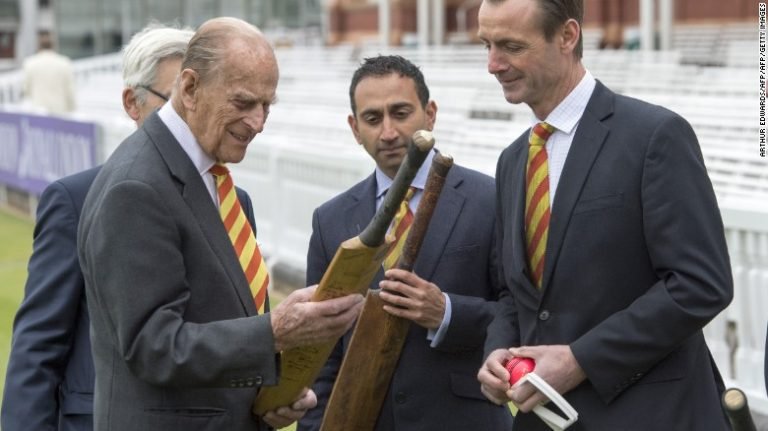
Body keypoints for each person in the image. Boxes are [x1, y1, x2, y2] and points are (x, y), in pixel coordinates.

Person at [77, 17, 364, 431]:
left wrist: (270, 393)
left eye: (267, 105)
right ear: (190, 88)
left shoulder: (208, 179)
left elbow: (218, 326)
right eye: (244, 102)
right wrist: (275, 332)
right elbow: (154, 347)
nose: (258, 122)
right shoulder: (137, 187)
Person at [475, 1, 733, 430]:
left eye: (510, 46)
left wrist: (581, 360)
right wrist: (499, 351)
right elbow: (512, 294)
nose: (492, 64)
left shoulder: (654, 136)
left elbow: (701, 284)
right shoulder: (512, 160)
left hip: (654, 415)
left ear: (567, 36)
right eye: (486, 45)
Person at [297, 55, 514, 430]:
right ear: (354, 127)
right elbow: (320, 352)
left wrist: (445, 312)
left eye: (400, 113)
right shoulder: (330, 220)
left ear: (430, 114)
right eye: (372, 118)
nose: (388, 132)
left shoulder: (491, 199)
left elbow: (520, 313)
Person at [1, 24, 194, 431]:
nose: (190, 118)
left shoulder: (235, 204)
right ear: (132, 103)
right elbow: (38, 347)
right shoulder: (75, 199)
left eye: (201, 99)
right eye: (177, 102)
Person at [22, 30, 76, 114]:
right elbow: (70, 91)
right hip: (60, 111)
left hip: (38, 112)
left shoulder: (30, 63)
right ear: (53, 45)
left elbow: (26, 90)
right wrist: (72, 110)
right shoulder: (64, 63)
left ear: (38, 45)